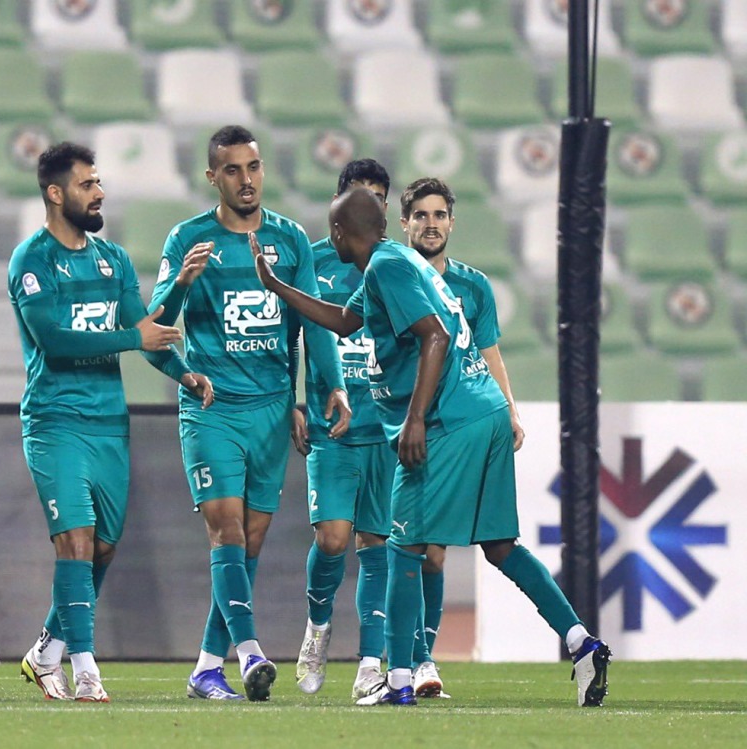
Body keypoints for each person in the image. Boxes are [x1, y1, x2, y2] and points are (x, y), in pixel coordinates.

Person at [251, 188, 611, 708]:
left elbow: (435, 336)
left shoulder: (386, 270)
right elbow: (344, 321)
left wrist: (415, 418)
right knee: (501, 545)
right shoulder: (394, 260)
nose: (331, 237)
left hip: (449, 421)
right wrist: (276, 284)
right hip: (484, 411)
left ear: (341, 233)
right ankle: (582, 645)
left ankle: (398, 682)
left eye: (334, 229)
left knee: (401, 549)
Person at [149, 125, 350, 702]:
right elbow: (154, 329)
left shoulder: (289, 242)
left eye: (253, 167)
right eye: (232, 170)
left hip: (269, 413)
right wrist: (183, 284)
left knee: (250, 544)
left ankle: (207, 668)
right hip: (212, 411)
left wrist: (326, 389)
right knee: (226, 530)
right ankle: (250, 652)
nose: (246, 179)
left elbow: (312, 323)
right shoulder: (188, 239)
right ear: (212, 177)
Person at [9, 142, 213, 703]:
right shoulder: (31, 261)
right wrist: (136, 337)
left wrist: (185, 373)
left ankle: (46, 650)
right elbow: (54, 341)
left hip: (108, 425)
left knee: (101, 550)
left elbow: (146, 334)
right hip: (55, 421)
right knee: (74, 541)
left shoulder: (114, 259)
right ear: (55, 193)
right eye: (87, 184)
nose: (99, 193)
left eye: (99, 183)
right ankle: (85, 668)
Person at [398, 176, 527, 698]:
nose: (431, 224)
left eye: (439, 215)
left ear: (452, 221)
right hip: (400, 424)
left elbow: (489, 352)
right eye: (421, 215)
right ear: (403, 222)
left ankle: (420, 662)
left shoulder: (474, 287)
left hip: (446, 429)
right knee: (399, 546)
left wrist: (511, 411)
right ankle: (390, 661)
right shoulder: (392, 277)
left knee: (430, 551)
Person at [289, 159, 395, 701]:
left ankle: (371, 663)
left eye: (379, 199)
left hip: (386, 431)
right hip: (332, 428)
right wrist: (292, 398)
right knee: (332, 539)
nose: (369, 208)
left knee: (376, 544)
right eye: (361, 197)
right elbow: (288, 332)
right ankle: (317, 628)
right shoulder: (312, 262)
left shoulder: (398, 266)